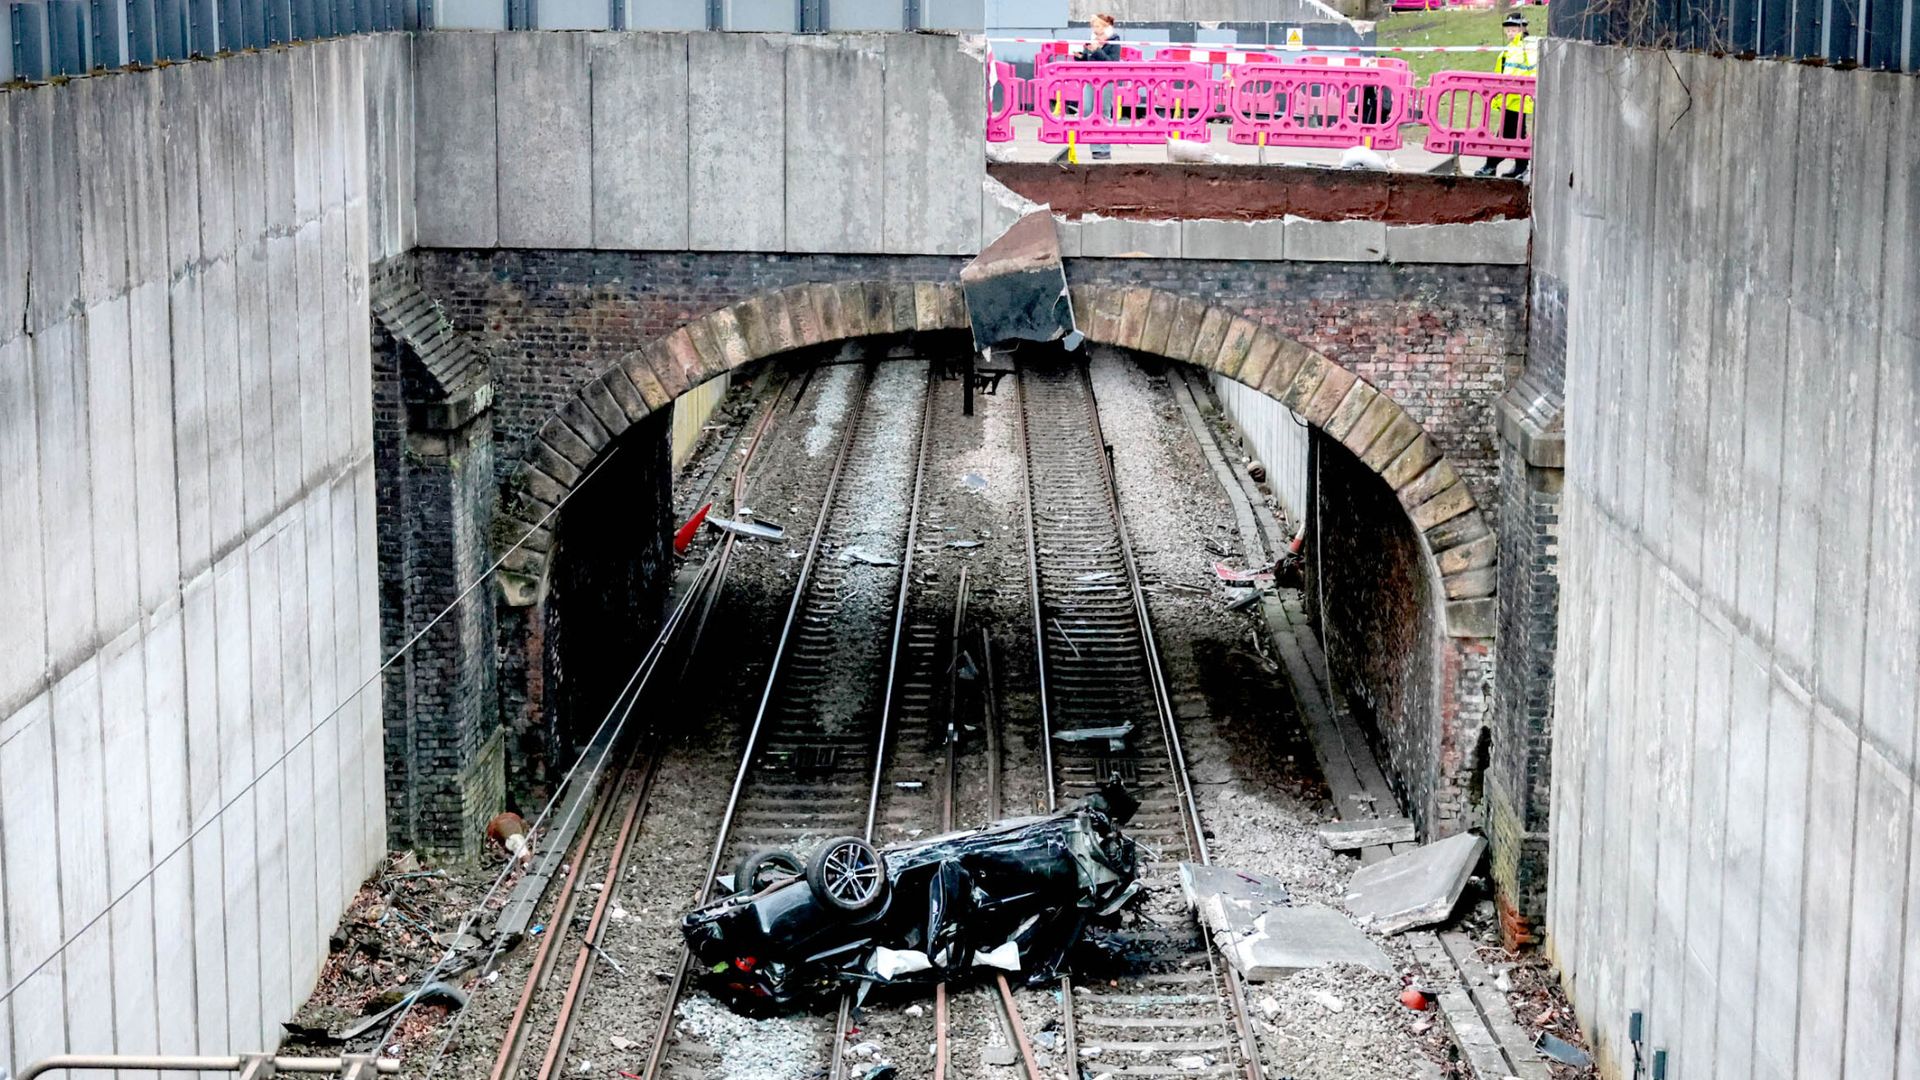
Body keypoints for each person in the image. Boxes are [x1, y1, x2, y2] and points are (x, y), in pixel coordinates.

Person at [1475, 12, 1535, 179]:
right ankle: (1520, 167)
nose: (1510, 33)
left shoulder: (1524, 47)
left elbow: (1527, 71)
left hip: (1517, 98)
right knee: (1516, 133)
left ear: (1522, 29)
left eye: (1513, 29)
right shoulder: (1514, 47)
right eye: (1508, 30)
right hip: (1512, 97)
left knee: (1506, 133)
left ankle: (1492, 164)